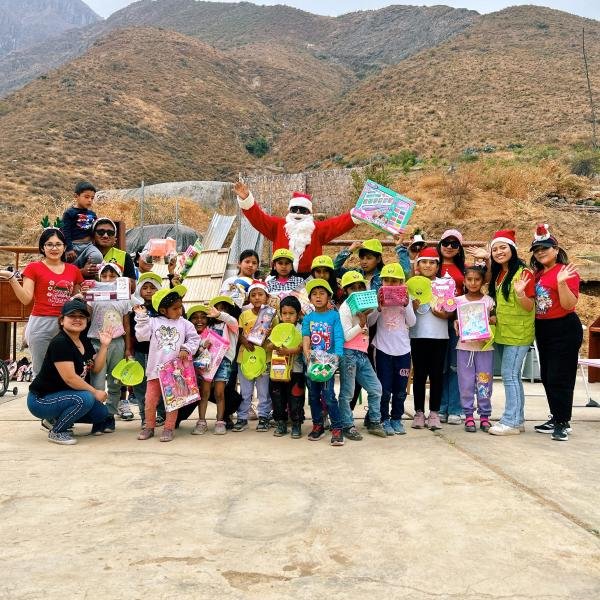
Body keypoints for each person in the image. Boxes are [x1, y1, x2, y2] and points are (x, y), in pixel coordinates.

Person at [26, 299, 112, 445]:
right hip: (41, 400)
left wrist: (104, 346)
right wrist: (95, 392)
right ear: (61, 321)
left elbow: (96, 368)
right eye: (72, 316)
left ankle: (53, 419)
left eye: (82, 316)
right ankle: (57, 431)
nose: (77, 319)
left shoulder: (83, 341)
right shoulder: (60, 343)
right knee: (85, 398)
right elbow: (70, 379)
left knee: (101, 413)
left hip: (65, 396)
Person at [0, 228, 83, 376]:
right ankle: (39, 399)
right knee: (41, 373)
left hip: (67, 324)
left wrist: (82, 295)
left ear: (64, 247)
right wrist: (11, 277)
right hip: (41, 324)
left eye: (58, 244)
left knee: (67, 373)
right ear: (42, 248)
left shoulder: (73, 270)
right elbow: (25, 298)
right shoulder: (33, 268)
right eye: (49, 244)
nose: (54, 248)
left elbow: (77, 299)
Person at [234, 182, 358, 276]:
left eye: (302, 210)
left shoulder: (317, 228)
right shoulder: (278, 225)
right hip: (279, 277)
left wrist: (360, 213)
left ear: (309, 212)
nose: (298, 212)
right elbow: (258, 218)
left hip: (309, 278)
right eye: (294, 209)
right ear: (290, 210)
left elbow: (339, 224)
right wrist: (247, 200)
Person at [529, 224, 582, 441]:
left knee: (560, 376)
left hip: (564, 327)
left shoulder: (566, 272)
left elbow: (570, 304)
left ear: (556, 249)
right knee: (547, 376)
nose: (541, 252)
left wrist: (561, 284)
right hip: (544, 327)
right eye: (537, 249)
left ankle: (563, 422)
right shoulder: (539, 274)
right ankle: (556, 416)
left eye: (545, 248)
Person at [134, 285, 200, 442]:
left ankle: (169, 428)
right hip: (154, 371)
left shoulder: (185, 324)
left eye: (180, 307)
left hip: (175, 372)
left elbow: (195, 339)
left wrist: (186, 348)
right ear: (163, 310)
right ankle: (149, 427)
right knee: (150, 401)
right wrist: (142, 319)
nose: (179, 311)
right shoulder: (153, 322)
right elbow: (141, 336)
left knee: (173, 402)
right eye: (175, 308)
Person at [487, 230, 535, 436]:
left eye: (503, 247)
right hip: (503, 332)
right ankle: (517, 419)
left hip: (518, 334)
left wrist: (521, 293)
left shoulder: (524, 273)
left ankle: (511, 421)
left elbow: (528, 306)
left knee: (509, 376)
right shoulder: (500, 273)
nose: (499, 252)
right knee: (512, 376)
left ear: (512, 249)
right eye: (494, 249)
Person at [337, 270, 387, 439]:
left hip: (361, 353)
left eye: (360, 287)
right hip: (349, 353)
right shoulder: (345, 308)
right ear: (346, 291)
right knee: (347, 393)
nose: (357, 291)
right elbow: (345, 336)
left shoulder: (363, 305)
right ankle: (346, 424)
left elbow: (372, 315)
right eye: (353, 288)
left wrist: (376, 309)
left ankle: (374, 421)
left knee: (376, 389)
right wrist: (361, 324)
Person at [369, 262, 415, 435]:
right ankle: (384, 419)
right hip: (382, 349)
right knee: (384, 388)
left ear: (402, 282)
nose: (390, 284)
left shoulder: (406, 298)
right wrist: (378, 308)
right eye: (386, 281)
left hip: (403, 351)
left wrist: (406, 305)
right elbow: (370, 322)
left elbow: (412, 322)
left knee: (400, 389)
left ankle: (397, 418)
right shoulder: (377, 297)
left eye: (395, 281)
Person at [409, 247, 453, 431]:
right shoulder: (411, 284)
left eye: (432, 262)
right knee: (419, 375)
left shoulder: (446, 283)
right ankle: (419, 412)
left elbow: (450, 311)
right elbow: (405, 311)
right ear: (418, 265)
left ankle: (434, 412)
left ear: (438, 265)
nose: (428, 265)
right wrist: (412, 305)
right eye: (424, 262)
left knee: (437, 376)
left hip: (439, 337)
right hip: (417, 335)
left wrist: (443, 314)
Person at [86, 262, 132, 433]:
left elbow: (126, 325)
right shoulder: (92, 294)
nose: (107, 279)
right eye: (104, 276)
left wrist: (127, 348)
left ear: (119, 279)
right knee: (97, 382)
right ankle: (98, 417)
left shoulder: (123, 297)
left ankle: (110, 416)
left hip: (117, 343)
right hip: (97, 343)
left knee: (115, 381)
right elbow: (87, 317)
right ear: (98, 277)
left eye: (112, 276)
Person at [302, 279, 345, 445]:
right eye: (314, 294)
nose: (318, 297)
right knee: (313, 396)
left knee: (328, 396)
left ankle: (337, 428)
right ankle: (317, 425)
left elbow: (339, 336)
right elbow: (306, 336)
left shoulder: (334, 316)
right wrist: (306, 353)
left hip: (328, 363)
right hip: (312, 363)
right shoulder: (308, 318)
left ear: (329, 296)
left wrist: (338, 354)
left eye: (322, 293)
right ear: (310, 298)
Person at [454, 265, 496, 433]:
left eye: (477, 279)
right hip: (464, 348)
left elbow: (494, 319)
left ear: (482, 281)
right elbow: (454, 321)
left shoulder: (488, 301)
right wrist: (455, 323)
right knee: (465, 383)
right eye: (469, 279)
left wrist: (492, 320)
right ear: (464, 281)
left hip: (484, 349)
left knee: (485, 382)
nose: (473, 283)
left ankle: (485, 415)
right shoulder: (458, 301)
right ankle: (468, 415)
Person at [190, 296, 240, 436]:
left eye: (223, 309)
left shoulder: (231, 327)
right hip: (207, 362)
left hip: (223, 362)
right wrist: (202, 345)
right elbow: (201, 342)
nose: (218, 311)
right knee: (204, 392)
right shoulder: (209, 326)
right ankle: (201, 422)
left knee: (219, 393)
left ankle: (220, 421)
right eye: (217, 308)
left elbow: (232, 320)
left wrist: (220, 315)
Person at [234, 281, 277, 432]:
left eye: (260, 294)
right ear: (249, 298)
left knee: (264, 391)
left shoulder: (271, 314)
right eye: (253, 295)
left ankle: (264, 416)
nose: (257, 298)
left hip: (264, 358)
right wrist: (245, 341)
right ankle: (242, 417)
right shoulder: (244, 314)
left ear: (267, 297)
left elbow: (276, 336)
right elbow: (238, 334)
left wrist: (270, 333)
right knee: (245, 391)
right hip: (245, 358)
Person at [128, 272, 166, 428]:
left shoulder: (164, 309)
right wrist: (129, 351)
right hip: (141, 352)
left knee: (163, 384)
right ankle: (145, 417)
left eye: (153, 288)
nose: (149, 291)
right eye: (145, 288)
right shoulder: (136, 309)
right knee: (141, 385)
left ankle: (163, 414)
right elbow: (131, 333)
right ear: (140, 291)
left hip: (161, 354)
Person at [437, 229, 465, 425]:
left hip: (458, 322)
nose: (449, 246)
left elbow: (482, 281)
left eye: (454, 244)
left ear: (459, 248)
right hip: (436, 321)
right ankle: (441, 407)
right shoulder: (432, 265)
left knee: (455, 366)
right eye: (446, 242)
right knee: (441, 366)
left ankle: (455, 407)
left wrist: (487, 261)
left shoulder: (464, 269)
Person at [266, 296, 305, 438]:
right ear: (280, 314)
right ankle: (280, 422)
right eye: (284, 313)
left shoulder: (301, 328)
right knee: (277, 397)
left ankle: (296, 424)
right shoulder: (277, 328)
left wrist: (288, 351)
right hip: (278, 371)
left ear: (298, 314)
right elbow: (269, 346)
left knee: (295, 397)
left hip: (296, 370)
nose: (287, 317)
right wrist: (275, 344)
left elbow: (302, 347)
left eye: (291, 313)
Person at [80, 218, 136, 292]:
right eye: (101, 232)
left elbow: (132, 288)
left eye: (110, 233)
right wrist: (82, 272)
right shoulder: (83, 253)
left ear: (115, 239)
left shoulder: (125, 256)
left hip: (115, 301)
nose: (105, 236)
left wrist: (116, 278)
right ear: (93, 236)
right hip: (89, 301)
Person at [62, 181, 103, 268]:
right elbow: (66, 231)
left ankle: (83, 270)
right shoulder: (69, 213)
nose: (89, 200)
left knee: (97, 257)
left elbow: (95, 230)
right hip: (74, 246)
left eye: (92, 198)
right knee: (68, 264)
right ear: (76, 196)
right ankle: (77, 271)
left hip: (88, 246)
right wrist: (69, 249)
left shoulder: (93, 214)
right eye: (86, 197)